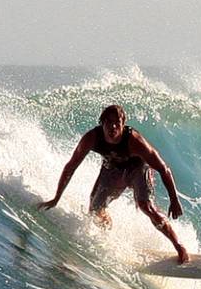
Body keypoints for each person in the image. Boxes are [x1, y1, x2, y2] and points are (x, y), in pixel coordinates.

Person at [39, 104, 190, 263]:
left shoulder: (134, 141)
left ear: (123, 124)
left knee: (146, 206)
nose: (113, 126)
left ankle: (179, 246)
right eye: (108, 122)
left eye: (117, 122)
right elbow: (71, 166)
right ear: (101, 123)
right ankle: (108, 238)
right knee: (95, 208)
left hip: (138, 168)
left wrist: (174, 200)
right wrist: (57, 198)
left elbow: (163, 169)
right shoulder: (92, 138)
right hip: (113, 167)